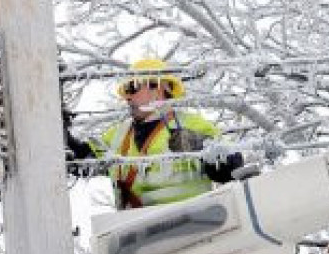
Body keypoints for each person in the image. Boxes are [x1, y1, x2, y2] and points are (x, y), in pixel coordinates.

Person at [63, 58, 242, 210]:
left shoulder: (193, 125)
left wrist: (199, 145)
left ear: (158, 87)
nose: (127, 97)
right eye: (126, 91)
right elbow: (81, 161)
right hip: (137, 236)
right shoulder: (119, 135)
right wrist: (60, 130)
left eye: (132, 88)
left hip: (192, 227)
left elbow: (233, 168)